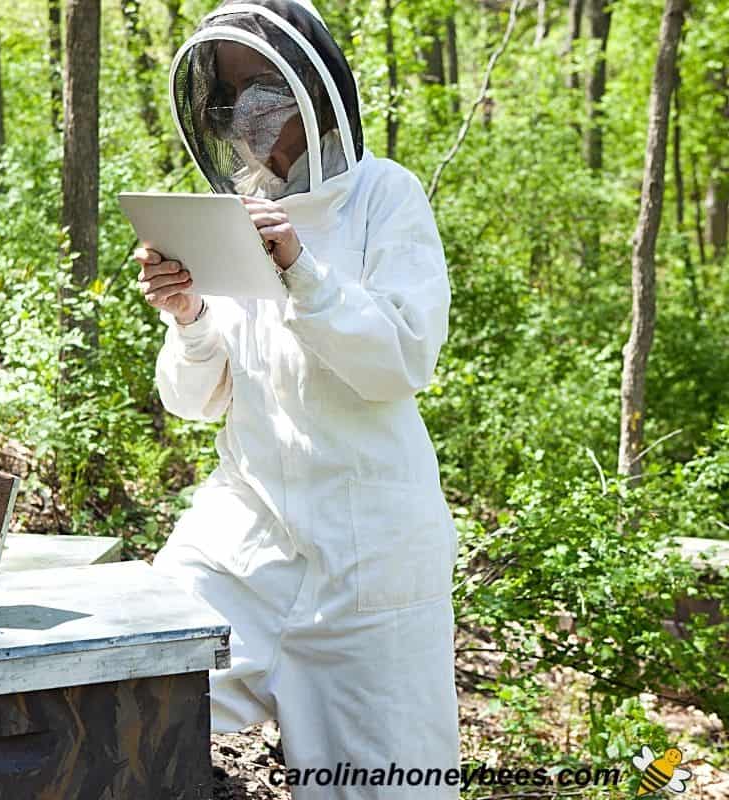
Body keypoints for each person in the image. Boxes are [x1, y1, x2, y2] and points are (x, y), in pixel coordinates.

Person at [137, 1, 460, 796]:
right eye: (229, 93)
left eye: (263, 85)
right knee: (129, 691)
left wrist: (300, 268)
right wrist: (189, 319)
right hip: (241, 539)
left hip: (370, 565)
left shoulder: (385, 195)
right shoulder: (230, 212)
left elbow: (401, 360)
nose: (245, 110)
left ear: (313, 87)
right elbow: (194, 400)